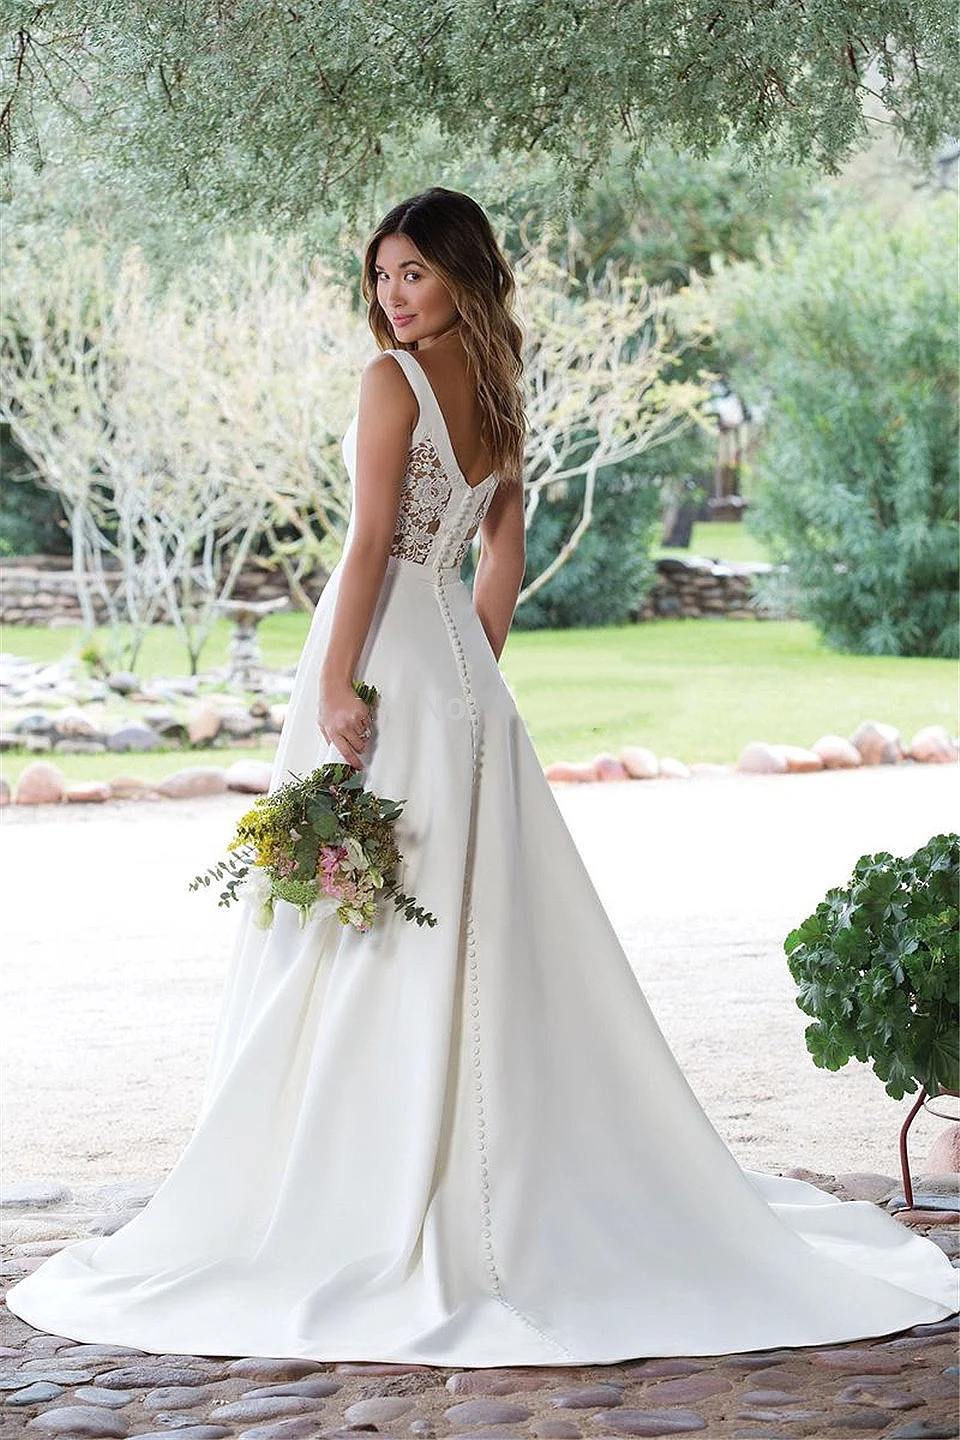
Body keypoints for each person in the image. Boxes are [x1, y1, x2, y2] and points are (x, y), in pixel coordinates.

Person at [6, 187, 957, 1365]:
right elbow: (499, 554)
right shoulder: (501, 394)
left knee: (358, 916)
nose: (392, 297)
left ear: (462, 273)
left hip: (382, 652)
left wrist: (337, 685)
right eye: (382, 277)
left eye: (413, 274)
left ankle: (348, 1181)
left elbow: (365, 547)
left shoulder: (388, 383)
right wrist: (472, 668)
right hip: (452, 666)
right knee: (445, 911)